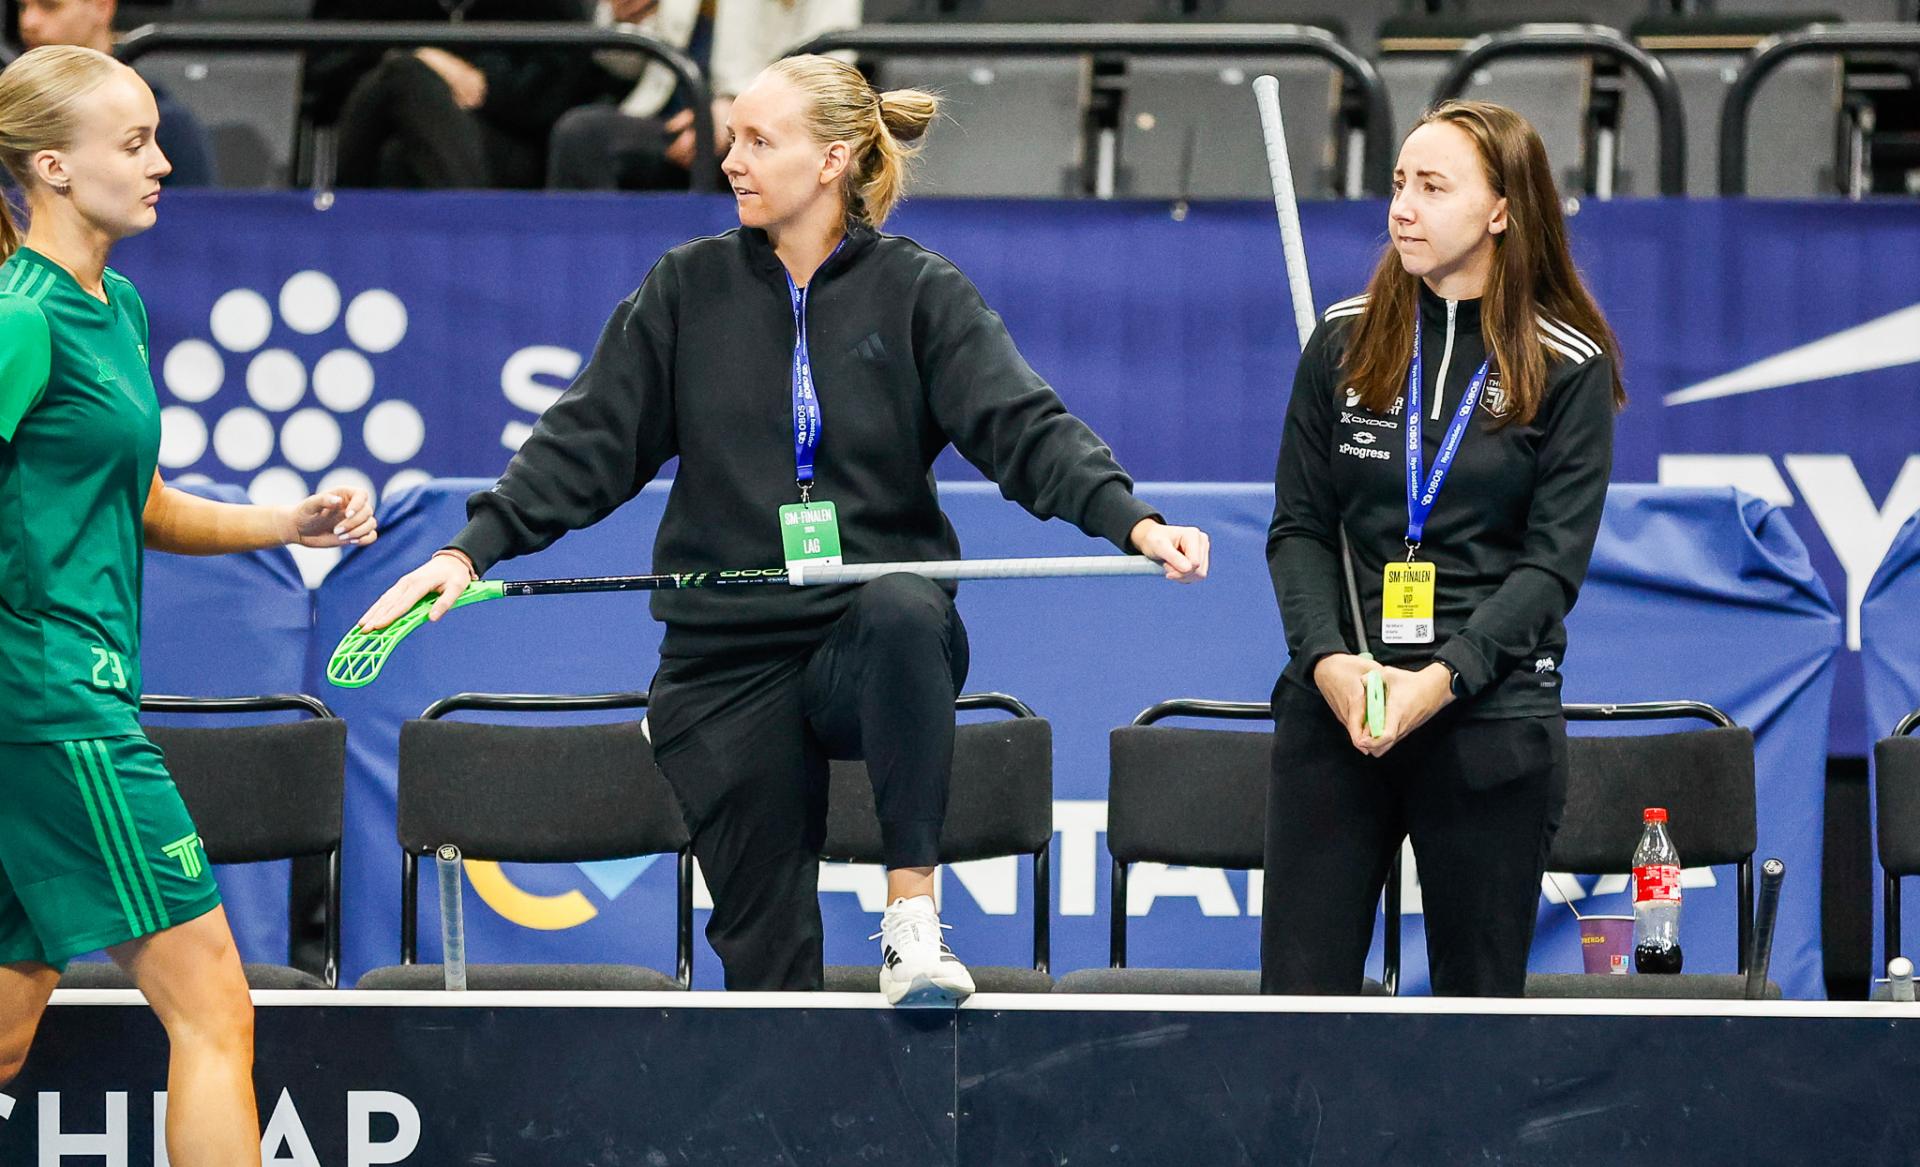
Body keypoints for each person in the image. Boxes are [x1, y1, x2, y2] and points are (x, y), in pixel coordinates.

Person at [360, 53, 1209, 1004]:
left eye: (761, 141)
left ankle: (912, 921)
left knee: (904, 606)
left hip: (860, 641)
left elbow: (1025, 427)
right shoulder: (685, 289)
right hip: (723, 658)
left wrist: (1131, 521)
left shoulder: (919, 291)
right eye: (733, 139)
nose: (733, 161)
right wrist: (466, 550)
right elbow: (585, 442)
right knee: (768, 968)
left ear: (833, 160)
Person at [0, 47, 375, 1162]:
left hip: (50, 707)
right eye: (134, 144)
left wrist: (284, 522)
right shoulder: (22, 320)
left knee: (6, 1035)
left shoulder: (113, 307)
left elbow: (144, 502)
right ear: (54, 167)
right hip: (55, 709)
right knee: (214, 1010)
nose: (164, 162)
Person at [1261, 100, 1623, 998]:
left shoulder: (1568, 364)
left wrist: (1442, 678)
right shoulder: (1342, 340)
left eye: (1432, 187)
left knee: (1477, 1022)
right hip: (1342, 710)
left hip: (1487, 717)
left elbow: (1551, 568)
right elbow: (1299, 527)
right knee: (1297, 1014)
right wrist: (1328, 662)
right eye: (1398, 185)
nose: (1402, 209)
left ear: (1501, 209)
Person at [303, 0, 626, 190]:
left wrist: (480, 80)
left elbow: (556, 87)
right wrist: (421, 61)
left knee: (400, 158)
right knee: (403, 76)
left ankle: (334, 244)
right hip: (373, 135)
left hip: (504, 141)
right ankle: (474, 242)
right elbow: (325, 78)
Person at [548, 0, 859, 191]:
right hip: (668, 120)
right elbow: (624, 66)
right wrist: (625, 20)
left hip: (769, 129)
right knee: (581, 135)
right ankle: (589, 276)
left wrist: (737, 112)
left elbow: (833, 62)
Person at [15, 0, 215, 186]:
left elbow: (193, 210)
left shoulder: (166, 122)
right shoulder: (10, 118)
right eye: (23, 7)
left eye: (50, 6)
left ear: (102, 7)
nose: (28, 22)